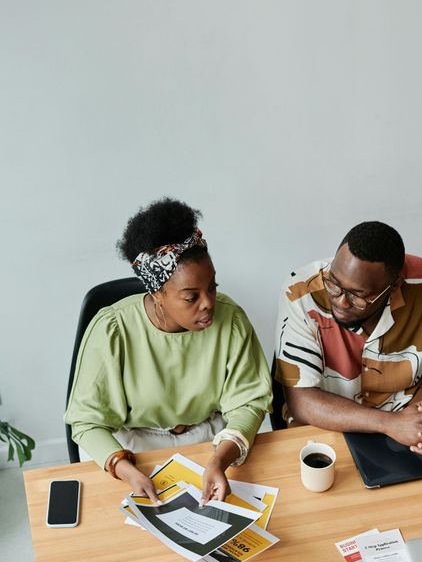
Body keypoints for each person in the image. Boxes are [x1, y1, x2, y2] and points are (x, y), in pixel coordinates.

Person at [65, 198, 272, 504]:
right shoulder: (113, 330)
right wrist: (125, 469)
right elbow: (86, 421)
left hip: (212, 439)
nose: (209, 303)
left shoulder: (231, 320)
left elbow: (249, 402)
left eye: (212, 287)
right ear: (158, 295)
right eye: (191, 297)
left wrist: (219, 460)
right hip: (132, 448)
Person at [275, 221, 422, 456]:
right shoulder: (300, 291)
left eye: (358, 295)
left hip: (410, 407)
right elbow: (301, 401)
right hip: (327, 415)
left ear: (393, 286)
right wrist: (390, 423)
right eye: (334, 284)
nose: (340, 301)